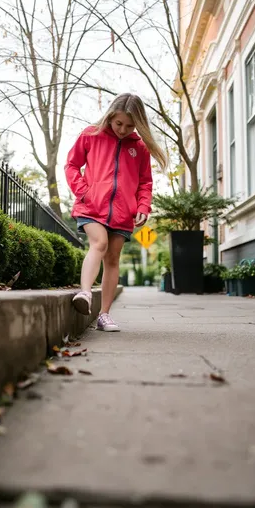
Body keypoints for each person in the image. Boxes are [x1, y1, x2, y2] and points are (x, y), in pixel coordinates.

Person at [64, 93, 167, 331]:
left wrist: (142, 206)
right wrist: (83, 191)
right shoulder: (91, 135)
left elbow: (145, 182)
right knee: (99, 244)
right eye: (118, 123)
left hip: (122, 213)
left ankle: (104, 315)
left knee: (112, 259)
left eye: (130, 126)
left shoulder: (140, 148)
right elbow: (71, 165)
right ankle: (86, 293)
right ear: (110, 116)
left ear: (138, 125)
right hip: (91, 206)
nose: (123, 129)